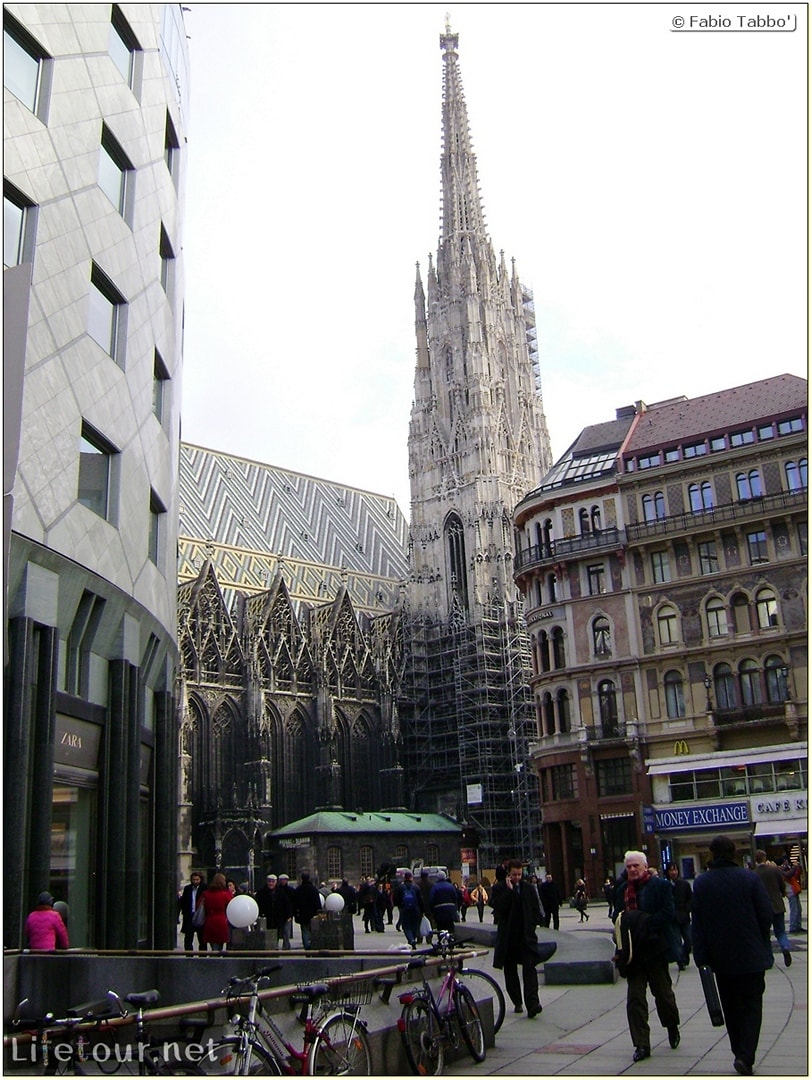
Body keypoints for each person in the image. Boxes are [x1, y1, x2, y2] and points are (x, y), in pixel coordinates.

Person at [692, 835, 774, 1077]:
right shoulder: (750, 878)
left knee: (730, 1007)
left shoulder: (702, 883)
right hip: (751, 955)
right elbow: (765, 914)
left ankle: (738, 1050)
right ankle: (745, 1055)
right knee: (752, 1005)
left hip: (721, 958)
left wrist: (702, 955)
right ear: (733, 853)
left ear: (712, 854)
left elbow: (698, 923)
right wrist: (759, 940)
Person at [611, 850, 681, 1064]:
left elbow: (667, 914)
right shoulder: (622, 890)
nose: (632, 869)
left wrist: (643, 924)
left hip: (655, 949)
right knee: (635, 999)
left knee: (663, 994)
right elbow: (618, 918)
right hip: (633, 954)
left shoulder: (660, 886)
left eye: (636, 866)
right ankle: (641, 1044)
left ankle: (671, 1026)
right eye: (629, 866)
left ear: (644, 866)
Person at [491, 859, 544, 1018]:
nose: (517, 878)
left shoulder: (528, 889)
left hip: (526, 936)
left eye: (519, 874)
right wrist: (509, 891)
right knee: (510, 971)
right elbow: (497, 907)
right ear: (508, 874)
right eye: (514, 874)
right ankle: (517, 1001)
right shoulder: (500, 888)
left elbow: (536, 909)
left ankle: (533, 1004)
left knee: (530, 969)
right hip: (509, 938)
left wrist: (533, 924)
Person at [753, 850, 792, 966]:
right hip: (777, 904)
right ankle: (785, 947)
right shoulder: (775, 870)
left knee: (764, 933)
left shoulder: (753, 873)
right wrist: (782, 893)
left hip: (762, 907)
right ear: (765, 858)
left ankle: (769, 958)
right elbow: (782, 886)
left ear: (755, 859)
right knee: (780, 931)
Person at [666, 863, 693, 969]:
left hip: (684, 916)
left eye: (675, 870)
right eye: (671, 870)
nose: (673, 872)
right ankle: (680, 961)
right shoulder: (666, 885)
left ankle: (685, 955)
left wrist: (687, 909)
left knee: (688, 940)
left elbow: (690, 898)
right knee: (676, 940)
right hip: (673, 918)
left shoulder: (684, 884)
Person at [394, 869, 425, 947]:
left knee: (406, 927)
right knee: (415, 926)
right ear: (411, 877)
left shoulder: (400, 887)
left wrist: (400, 906)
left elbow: (396, 899)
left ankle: (411, 940)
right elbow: (420, 900)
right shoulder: (416, 887)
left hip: (405, 910)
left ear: (404, 878)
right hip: (415, 910)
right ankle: (413, 939)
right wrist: (422, 910)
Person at [201, 873, 231, 952]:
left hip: (209, 921)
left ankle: (213, 957)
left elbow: (199, 906)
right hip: (221, 921)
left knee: (212, 944)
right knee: (219, 945)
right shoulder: (226, 894)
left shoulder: (206, 894)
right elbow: (231, 906)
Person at [293, 871, 322, 949]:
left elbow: (295, 903)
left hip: (302, 914)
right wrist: (319, 911)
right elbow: (317, 902)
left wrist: (295, 914)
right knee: (312, 930)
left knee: (304, 931)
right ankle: (312, 945)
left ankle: (307, 947)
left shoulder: (298, 890)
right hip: (313, 914)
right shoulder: (313, 889)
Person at [178, 871, 205, 951]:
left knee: (202, 939)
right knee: (188, 939)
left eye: (197, 879)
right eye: (194, 879)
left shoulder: (204, 888)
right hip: (189, 916)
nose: (195, 881)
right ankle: (189, 955)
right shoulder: (187, 888)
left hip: (200, 916)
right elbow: (184, 901)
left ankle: (202, 956)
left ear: (200, 880)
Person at [780, 855, 804, 933]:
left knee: (798, 909)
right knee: (794, 909)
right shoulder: (781, 870)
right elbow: (789, 875)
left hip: (793, 890)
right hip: (790, 891)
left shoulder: (787, 869)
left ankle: (798, 926)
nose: (787, 863)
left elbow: (794, 876)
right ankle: (793, 927)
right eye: (785, 861)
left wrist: (798, 868)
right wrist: (794, 867)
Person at [276, 874, 295, 949]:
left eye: (284, 880)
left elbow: (293, 902)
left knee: (286, 931)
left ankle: (286, 945)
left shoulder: (290, 890)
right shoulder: (277, 890)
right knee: (278, 931)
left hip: (287, 914)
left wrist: (291, 913)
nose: (283, 881)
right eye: (282, 880)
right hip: (278, 914)